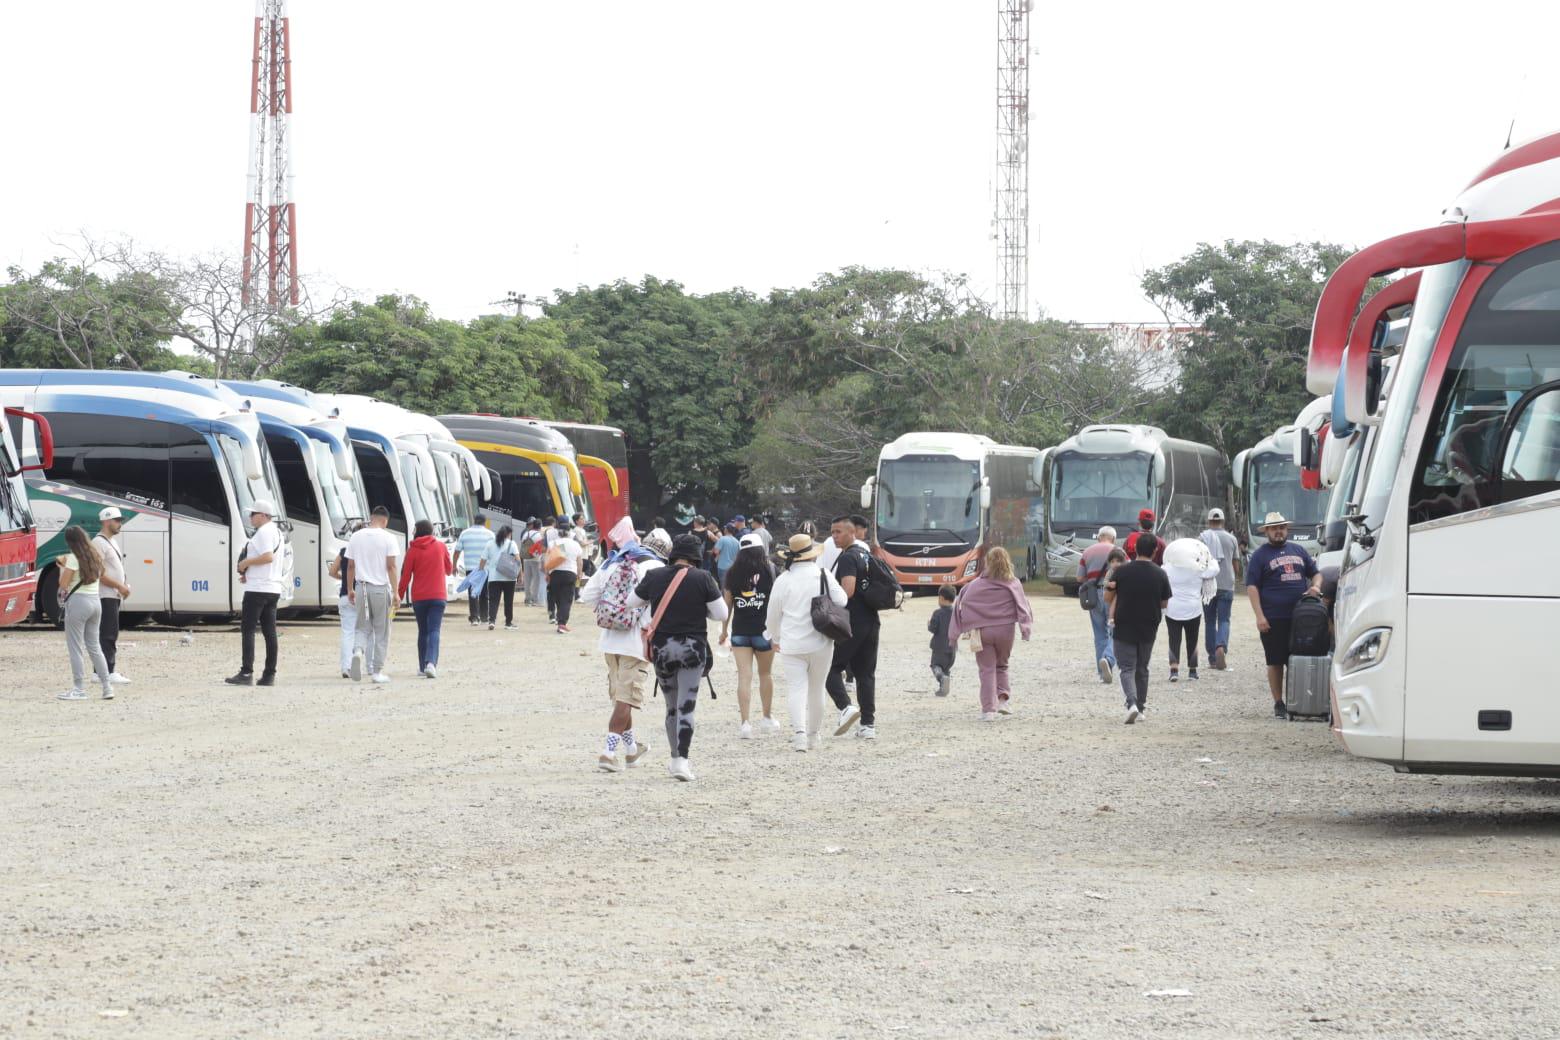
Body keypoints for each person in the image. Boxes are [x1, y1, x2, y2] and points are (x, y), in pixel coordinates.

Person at [630, 533, 728, 781]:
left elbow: (632, 601)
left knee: (671, 707)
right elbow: (721, 614)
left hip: (662, 650)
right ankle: (681, 762)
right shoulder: (703, 578)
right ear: (696, 556)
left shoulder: (655, 576)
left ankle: (674, 756)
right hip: (693, 650)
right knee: (687, 706)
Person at [579, 518, 667, 773]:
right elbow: (656, 607)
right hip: (636, 642)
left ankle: (631, 750)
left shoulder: (613, 561)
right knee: (626, 699)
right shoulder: (656, 566)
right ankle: (608, 753)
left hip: (609, 640)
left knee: (621, 697)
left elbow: (587, 597)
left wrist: (611, 611)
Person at [764, 534, 848, 751]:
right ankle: (814, 735)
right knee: (817, 688)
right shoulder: (823, 574)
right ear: (811, 554)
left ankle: (799, 734)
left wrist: (774, 638)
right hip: (821, 640)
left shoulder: (783, 580)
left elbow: (772, 615)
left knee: (796, 689)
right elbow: (842, 600)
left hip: (791, 643)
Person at [1245, 511, 1322, 719]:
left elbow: (1316, 573)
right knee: (1275, 661)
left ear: (1286, 530)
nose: (1278, 531)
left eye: (1281, 527)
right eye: (1274, 528)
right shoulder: (1260, 556)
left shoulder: (1299, 550)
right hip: (1273, 618)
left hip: (1301, 618)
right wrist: (1259, 616)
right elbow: (1252, 587)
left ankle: (1301, 702)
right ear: (1267, 531)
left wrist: (1315, 587)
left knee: (1299, 661)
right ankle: (1279, 703)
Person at [949, 548, 1033, 720]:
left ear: (987, 562)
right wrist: (1025, 629)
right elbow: (1023, 606)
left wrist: (955, 634)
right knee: (1001, 666)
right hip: (1006, 631)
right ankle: (1003, 701)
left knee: (987, 670)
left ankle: (988, 711)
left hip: (983, 632)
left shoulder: (974, 585)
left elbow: (961, 604)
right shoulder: (1013, 583)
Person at [824, 515, 882, 740]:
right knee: (865, 673)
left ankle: (846, 707)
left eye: (838, 532)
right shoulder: (866, 555)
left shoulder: (848, 557)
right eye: (832, 532)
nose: (834, 536)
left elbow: (847, 591)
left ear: (852, 533)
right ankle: (868, 724)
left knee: (830, 666)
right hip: (871, 620)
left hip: (852, 622)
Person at [1106, 532, 1171, 724]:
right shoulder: (1160, 573)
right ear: (1154, 550)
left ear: (1134, 549)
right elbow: (1164, 603)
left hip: (1124, 624)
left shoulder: (1122, 571)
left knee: (1126, 668)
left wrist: (1111, 590)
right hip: (1149, 626)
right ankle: (1140, 708)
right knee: (1142, 668)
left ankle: (1131, 703)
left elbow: (1108, 598)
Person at [719, 533, 779, 739]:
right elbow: (777, 602)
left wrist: (723, 630)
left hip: (740, 631)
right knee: (765, 675)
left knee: (744, 677)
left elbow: (727, 604)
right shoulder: (770, 570)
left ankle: (745, 723)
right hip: (765, 631)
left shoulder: (732, 573)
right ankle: (767, 717)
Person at [225, 499, 284, 688]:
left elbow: (268, 557)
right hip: (272, 588)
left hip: (258, 589)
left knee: (248, 630)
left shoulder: (264, 532)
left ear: (263, 515)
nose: (250, 517)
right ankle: (269, 675)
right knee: (270, 632)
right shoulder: (277, 532)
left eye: (253, 514)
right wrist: (248, 573)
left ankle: (246, 672)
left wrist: (245, 564)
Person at [55, 525, 113, 701]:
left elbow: (63, 585)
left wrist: (61, 566)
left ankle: (79, 689)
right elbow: (101, 574)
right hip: (96, 602)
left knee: (75, 647)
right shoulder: (94, 556)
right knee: (94, 647)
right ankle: (107, 687)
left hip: (78, 603)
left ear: (70, 542)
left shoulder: (73, 559)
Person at [346, 506, 401, 684]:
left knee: (362, 627)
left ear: (371, 518)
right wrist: (396, 592)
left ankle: (357, 652)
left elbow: (351, 566)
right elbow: (391, 566)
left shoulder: (356, 536)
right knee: (382, 631)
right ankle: (377, 672)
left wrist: (350, 589)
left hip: (361, 587)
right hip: (380, 588)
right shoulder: (389, 537)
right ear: (385, 521)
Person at [398, 518, 453, 678]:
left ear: (418, 531)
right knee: (434, 630)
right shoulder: (441, 547)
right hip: (438, 595)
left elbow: (405, 577)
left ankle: (423, 667)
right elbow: (449, 570)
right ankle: (431, 664)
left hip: (419, 597)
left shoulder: (412, 550)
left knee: (423, 631)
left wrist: (399, 597)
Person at [1164, 538, 1219, 682]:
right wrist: (1209, 556)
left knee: (1174, 639)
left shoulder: (1167, 568)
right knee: (1192, 639)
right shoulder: (1199, 569)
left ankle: (1174, 670)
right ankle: (1192, 671)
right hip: (1193, 609)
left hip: (1172, 609)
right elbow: (1215, 568)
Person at [92, 507, 133, 686]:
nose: (120, 524)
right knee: (107, 634)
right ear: (107, 521)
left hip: (113, 594)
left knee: (109, 632)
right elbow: (97, 573)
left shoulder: (111, 542)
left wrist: (123, 586)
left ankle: (102, 671)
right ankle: (106, 671)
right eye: (117, 520)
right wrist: (119, 586)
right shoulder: (99, 543)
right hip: (105, 594)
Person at [1199, 508, 1240, 670]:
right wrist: (1233, 578)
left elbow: (1198, 561)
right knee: (1224, 619)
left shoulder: (1202, 538)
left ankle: (1212, 658)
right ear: (1223, 521)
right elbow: (1236, 563)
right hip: (1226, 584)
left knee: (1209, 621)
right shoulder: (1232, 538)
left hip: (1208, 584)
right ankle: (1220, 646)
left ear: (1209, 521)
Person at [1076, 526, 1118, 684]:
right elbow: (1126, 572)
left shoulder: (1087, 552)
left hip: (1094, 596)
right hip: (1113, 595)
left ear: (1098, 537)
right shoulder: (1118, 551)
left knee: (1099, 634)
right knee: (1116, 632)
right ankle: (1108, 659)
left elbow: (1080, 578)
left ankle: (1102, 673)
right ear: (1113, 538)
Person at [328, 524, 361, 678]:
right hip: (362, 595)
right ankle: (364, 663)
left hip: (345, 596)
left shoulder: (343, 551)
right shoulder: (366, 551)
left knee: (347, 632)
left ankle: (345, 667)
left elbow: (332, 571)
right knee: (364, 631)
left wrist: (343, 580)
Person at [454, 516, 496, 627]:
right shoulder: (490, 534)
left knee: (472, 593)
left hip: (470, 568)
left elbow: (457, 551)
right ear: (484, 522)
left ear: (474, 521)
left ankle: (474, 618)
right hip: (485, 569)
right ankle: (484, 617)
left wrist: (454, 565)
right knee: (484, 592)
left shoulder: (465, 533)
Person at [545, 517, 584, 633]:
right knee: (566, 600)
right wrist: (579, 573)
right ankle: (562, 623)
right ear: (569, 533)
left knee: (557, 598)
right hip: (570, 573)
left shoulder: (553, 543)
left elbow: (547, 559)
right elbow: (579, 561)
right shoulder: (575, 544)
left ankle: (559, 619)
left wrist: (547, 573)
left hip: (555, 574)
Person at [484, 524, 521, 630]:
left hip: (494, 577)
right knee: (508, 600)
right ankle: (508, 623)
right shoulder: (512, 544)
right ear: (509, 534)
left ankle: (491, 621)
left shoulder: (490, 544)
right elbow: (518, 560)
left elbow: (483, 559)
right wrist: (520, 575)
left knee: (493, 600)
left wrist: (481, 570)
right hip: (509, 577)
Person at [927, 583, 958, 697]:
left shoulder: (937, 613)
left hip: (939, 647)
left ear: (941, 598)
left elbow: (933, 629)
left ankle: (942, 679)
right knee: (946, 668)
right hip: (953, 648)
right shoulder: (956, 612)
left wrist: (929, 624)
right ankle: (943, 689)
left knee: (936, 666)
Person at [521, 518, 546, 608]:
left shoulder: (526, 534)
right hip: (536, 559)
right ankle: (535, 599)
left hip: (526, 559)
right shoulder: (539, 535)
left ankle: (527, 599)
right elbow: (541, 548)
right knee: (536, 579)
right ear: (540, 526)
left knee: (527, 579)